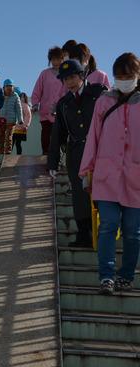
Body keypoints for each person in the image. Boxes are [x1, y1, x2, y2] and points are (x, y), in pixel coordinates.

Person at [79, 52, 140, 295]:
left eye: (129, 76)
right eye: (120, 77)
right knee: (107, 226)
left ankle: (126, 275)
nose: (124, 80)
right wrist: (86, 171)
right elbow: (92, 137)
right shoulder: (103, 102)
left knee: (133, 231)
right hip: (107, 176)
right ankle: (106, 276)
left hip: (135, 178)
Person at [48, 59, 107, 247]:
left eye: (73, 77)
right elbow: (57, 134)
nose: (70, 82)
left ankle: (105, 232)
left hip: (101, 152)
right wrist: (53, 162)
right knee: (80, 196)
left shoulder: (99, 93)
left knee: (103, 193)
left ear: (82, 76)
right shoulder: (63, 104)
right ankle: (84, 234)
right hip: (77, 155)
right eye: (65, 79)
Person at [32, 46, 65, 155]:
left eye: (58, 59)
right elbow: (38, 89)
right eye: (53, 59)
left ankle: (58, 155)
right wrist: (35, 104)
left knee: (58, 134)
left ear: (62, 59)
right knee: (46, 134)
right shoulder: (44, 74)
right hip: (46, 110)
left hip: (60, 111)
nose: (55, 62)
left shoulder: (66, 74)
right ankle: (45, 154)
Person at [0, 79, 23, 154]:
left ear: (13, 88)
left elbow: (19, 108)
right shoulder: (0, 95)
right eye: (7, 88)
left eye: (11, 88)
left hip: (11, 120)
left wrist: (20, 119)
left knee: (9, 137)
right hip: (1, 120)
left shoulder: (15, 96)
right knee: (1, 136)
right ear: (4, 88)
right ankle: (0, 152)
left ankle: (8, 152)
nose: (9, 90)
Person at [12, 88, 31, 155]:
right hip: (13, 127)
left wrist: (26, 125)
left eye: (23, 97)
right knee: (10, 142)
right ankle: (7, 156)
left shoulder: (26, 106)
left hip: (20, 128)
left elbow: (28, 116)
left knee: (18, 143)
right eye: (21, 96)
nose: (22, 98)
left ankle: (18, 156)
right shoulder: (14, 104)